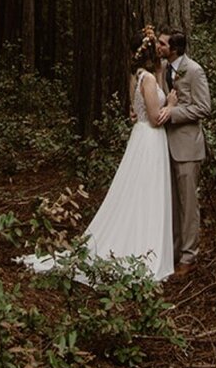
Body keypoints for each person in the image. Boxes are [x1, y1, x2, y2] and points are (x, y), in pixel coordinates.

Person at [19, 29, 176, 283]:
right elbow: (156, 119)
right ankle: (142, 249)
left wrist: (160, 77)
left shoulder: (136, 76)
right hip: (150, 139)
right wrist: (170, 104)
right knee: (146, 192)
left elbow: (134, 113)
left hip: (141, 136)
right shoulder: (146, 80)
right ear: (149, 52)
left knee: (139, 192)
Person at [157, 29, 211, 269]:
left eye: (162, 43)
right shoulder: (161, 68)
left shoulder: (194, 71)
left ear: (175, 49)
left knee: (188, 204)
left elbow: (203, 107)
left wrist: (173, 113)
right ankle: (173, 250)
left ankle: (189, 255)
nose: (158, 46)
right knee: (171, 202)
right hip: (163, 145)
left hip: (187, 147)